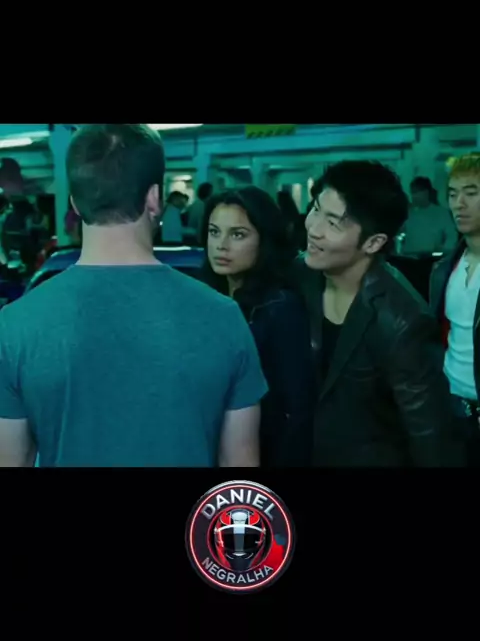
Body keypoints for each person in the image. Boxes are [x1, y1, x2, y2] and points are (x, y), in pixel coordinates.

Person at [0, 124, 267, 468]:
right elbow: (240, 475)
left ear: (75, 203)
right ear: (154, 198)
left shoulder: (14, 326)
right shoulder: (224, 317)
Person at [294, 159, 456, 467]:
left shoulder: (403, 320)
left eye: (333, 223)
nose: (313, 229)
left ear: (373, 242)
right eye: (316, 209)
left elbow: (430, 434)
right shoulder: (302, 275)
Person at [201, 185, 315, 467]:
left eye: (237, 234)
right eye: (214, 232)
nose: (221, 245)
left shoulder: (280, 308)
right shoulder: (203, 298)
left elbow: (295, 408)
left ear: (265, 240)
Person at [430, 153, 480, 467]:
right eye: (452, 194)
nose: (459, 204)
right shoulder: (444, 269)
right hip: (451, 406)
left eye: (471, 193)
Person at [402, 176, 458, 255]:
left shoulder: (441, 213)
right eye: (412, 192)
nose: (414, 196)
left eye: (416, 192)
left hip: (430, 257)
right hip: (409, 256)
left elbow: (452, 235)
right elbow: (398, 231)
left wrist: (444, 250)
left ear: (426, 192)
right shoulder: (408, 213)